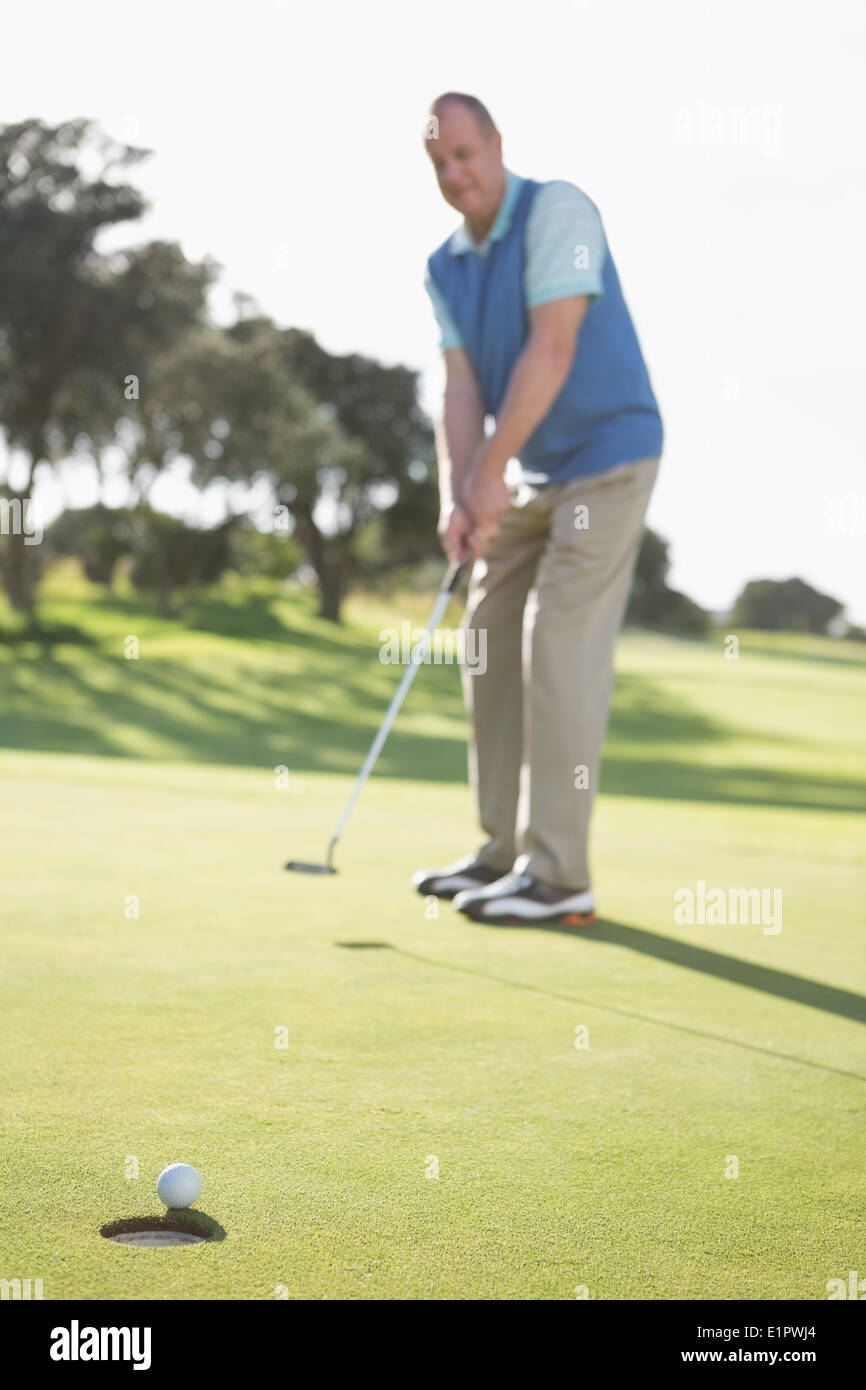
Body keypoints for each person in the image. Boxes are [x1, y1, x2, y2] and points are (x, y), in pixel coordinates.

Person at [412, 92, 662, 926]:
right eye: (439, 162)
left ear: (496, 145)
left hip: (610, 456)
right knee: (485, 638)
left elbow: (551, 351)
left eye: (465, 155)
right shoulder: (444, 265)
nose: (455, 174)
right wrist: (462, 492)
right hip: (538, 471)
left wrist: (490, 474)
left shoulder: (560, 210)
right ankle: (501, 851)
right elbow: (461, 387)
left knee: (555, 643)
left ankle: (559, 875)